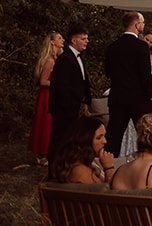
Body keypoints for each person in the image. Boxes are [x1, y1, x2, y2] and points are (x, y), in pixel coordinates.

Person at [102, 11, 152, 159]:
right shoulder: (141, 46)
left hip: (118, 96)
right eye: (142, 23)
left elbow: (108, 72)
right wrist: (149, 95)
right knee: (145, 134)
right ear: (137, 25)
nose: (143, 25)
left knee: (114, 135)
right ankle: (147, 165)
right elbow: (145, 74)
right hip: (138, 98)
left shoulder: (113, 46)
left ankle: (109, 166)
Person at [47, 25, 92, 164]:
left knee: (70, 138)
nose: (87, 41)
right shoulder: (65, 59)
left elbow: (83, 81)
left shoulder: (77, 57)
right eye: (83, 39)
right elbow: (62, 87)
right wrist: (69, 107)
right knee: (60, 138)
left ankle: (66, 165)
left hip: (74, 107)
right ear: (73, 41)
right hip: (64, 108)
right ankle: (54, 167)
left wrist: (87, 101)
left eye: (87, 38)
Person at [28, 31, 64, 165]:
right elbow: (43, 81)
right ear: (52, 42)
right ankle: (43, 154)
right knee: (45, 122)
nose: (63, 40)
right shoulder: (49, 60)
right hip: (47, 95)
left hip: (53, 93)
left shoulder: (57, 58)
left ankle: (50, 151)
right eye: (59, 38)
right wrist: (59, 84)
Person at [50, 115, 112, 185]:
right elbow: (107, 194)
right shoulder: (80, 171)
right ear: (85, 141)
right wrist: (108, 167)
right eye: (99, 138)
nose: (105, 141)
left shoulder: (84, 163)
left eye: (104, 136)